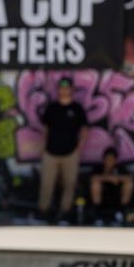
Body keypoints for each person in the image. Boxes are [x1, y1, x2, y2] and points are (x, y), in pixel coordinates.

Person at [38, 77, 88, 223]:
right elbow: (45, 129)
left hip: (70, 153)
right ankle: (43, 210)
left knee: (70, 183)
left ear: (71, 89)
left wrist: (79, 148)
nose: (64, 90)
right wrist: (44, 147)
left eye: (67, 88)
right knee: (47, 183)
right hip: (50, 152)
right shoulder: (51, 107)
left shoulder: (77, 108)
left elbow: (84, 129)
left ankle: (64, 212)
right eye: (61, 87)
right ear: (58, 89)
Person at [89, 148, 133, 225]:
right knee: (95, 184)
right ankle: (97, 213)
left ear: (115, 160)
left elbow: (129, 178)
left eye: (112, 159)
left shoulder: (120, 168)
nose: (109, 161)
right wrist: (109, 178)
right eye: (107, 159)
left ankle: (122, 211)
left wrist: (117, 178)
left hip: (117, 196)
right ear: (104, 160)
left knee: (129, 184)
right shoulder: (98, 168)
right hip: (102, 197)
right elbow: (93, 178)